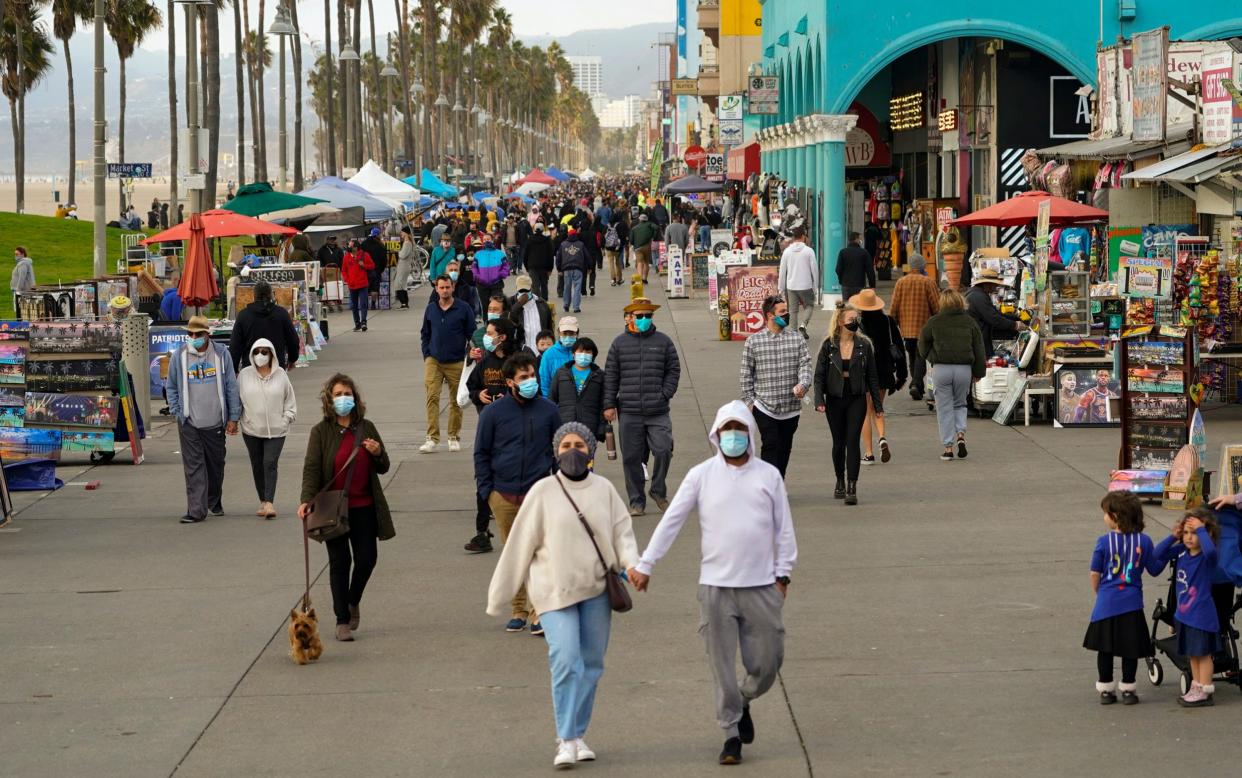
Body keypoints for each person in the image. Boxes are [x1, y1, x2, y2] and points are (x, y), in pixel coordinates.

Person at [627, 401, 797, 766]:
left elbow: (784, 530)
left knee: (768, 662)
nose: (732, 436)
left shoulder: (768, 476)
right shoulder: (701, 475)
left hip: (762, 585)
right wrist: (646, 564)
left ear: (749, 433)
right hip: (716, 588)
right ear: (716, 435)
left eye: (739, 429)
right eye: (726, 430)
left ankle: (745, 697)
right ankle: (731, 734)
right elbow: (672, 521)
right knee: (720, 665)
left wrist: (783, 574)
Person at [487, 423, 639, 768]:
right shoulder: (542, 492)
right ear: (556, 451)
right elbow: (518, 546)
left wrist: (633, 565)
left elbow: (623, 535)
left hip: (597, 590)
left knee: (592, 664)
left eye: (580, 445)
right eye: (566, 444)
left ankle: (578, 733)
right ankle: (565, 738)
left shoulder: (604, 490)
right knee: (566, 658)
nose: (573, 450)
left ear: (591, 452)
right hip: (553, 592)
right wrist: (500, 595)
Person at [297, 374, 393, 642]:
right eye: (338, 394)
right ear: (329, 399)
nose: (343, 399)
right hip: (333, 508)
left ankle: (353, 601)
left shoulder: (367, 427)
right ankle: (342, 620)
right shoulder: (321, 431)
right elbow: (312, 468)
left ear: (356, 398)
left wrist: (376, 453)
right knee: (340, 562)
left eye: (347, 394)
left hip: (364, 505)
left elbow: (383, 467)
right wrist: (306, 499)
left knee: (367, 560)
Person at [474, 352, 562, 635]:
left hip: (538, 494)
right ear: (510, 382)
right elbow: (481, 453)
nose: (530, 381)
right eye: (523, 378)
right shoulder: (493, 413)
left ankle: (539, 613)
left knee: (538, 554)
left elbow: (559, 451)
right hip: (503, 495)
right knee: (514, 555)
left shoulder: (549, 410)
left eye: (532, 376)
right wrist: (488, 492)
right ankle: (518, 610)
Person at [603, 298, 681, 516]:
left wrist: (665, 394)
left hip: (658, 411)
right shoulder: (619, 344)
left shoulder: (664, 341)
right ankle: (636, 501)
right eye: (640, 316)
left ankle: (658, 489)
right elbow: (611, 376)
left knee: (664, 449)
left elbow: (673, 370)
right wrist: (609, 404)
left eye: (648, 316)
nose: (644, 319)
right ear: (630, 318)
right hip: (629, 411)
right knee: (631, 458)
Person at [1083, 492, 1162, 706]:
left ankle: (1106, 689)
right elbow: (1154, 569)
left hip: (1107, 602)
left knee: (1105, 649)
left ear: (1116, 515)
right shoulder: (1144, 541)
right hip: (1132, 603)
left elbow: (1094, 573)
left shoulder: (1103, 541)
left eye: (1106, 513)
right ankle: (1128, 688)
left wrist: (1100, 593)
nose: (1104, 517)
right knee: (1130, 649)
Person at [165, 316, 241, 524]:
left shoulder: (221, 354)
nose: (194, 338)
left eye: (198, 334)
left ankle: (213, 500)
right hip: (189, 421)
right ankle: (196, 510)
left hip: (215, 421)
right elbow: (171, 386)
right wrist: (177, 411)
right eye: (190, 334)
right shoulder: (179, 356)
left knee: (215, 465)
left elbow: (231, 386)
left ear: (208, 334)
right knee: (194, 467)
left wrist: (234, 417)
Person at [813, 303, 883, 505]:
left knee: (852, 441)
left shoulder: (864, 345)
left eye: (857, 319)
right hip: (835, 398)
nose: (855, 323)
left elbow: (872, 377)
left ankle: (852, 485)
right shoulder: (829, 345)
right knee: (838, 443)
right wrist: (819, 400)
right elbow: (819, 376)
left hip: (856, 397)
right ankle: (840, 480)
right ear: (841, 322)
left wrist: (877, 407)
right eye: (852, 320)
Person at [739, 295, 812, 478]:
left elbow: (805, 365)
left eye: (787, 311)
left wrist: (803, 384)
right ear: (770, 316)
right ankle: (769, 486)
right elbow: (746, 372)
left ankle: (778, 481)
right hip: (765, 406)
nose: (787, 315)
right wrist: (750, 401)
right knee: (770, 444)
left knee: (784, 448)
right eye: (783, 312)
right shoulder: (753, 342)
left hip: (791, 408)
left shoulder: (797, 340)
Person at [1154, 509, 1221, 707]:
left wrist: (1201, 530)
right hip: (1184, 615)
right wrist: (1173, 536)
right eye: (1186, 533)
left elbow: (1210, 551)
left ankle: (1205, 689)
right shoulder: (1182, 551)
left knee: (1203, 653)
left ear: (1206, 534)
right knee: (1192, 653)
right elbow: (1157, 554)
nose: (1189, 538)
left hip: (1201, 614)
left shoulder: (1207, 558)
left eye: (1194, 533)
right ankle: (1196, 684)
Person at [918, 288, 986, 461]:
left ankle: (948, 448)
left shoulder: (934, 322)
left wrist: (930, 356)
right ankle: (961, 434)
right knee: (960, 404)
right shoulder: (970, 322)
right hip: (964, 369)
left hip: (941, 368)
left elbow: (922, 344)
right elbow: (979, 349)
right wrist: (978, 372)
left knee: (944, 407)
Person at [237, 339, 296, 519]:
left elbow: (290, 400)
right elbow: (237, 400)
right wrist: (234, 420)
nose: (260, 356)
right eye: (257, 352)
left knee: (269, 463)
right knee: (257, 464)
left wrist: (286, 418)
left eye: (264, 352)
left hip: (277, 430)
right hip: (251, 429)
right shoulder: (244, 375)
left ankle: (270, 502)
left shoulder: (281, 375)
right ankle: (263, 500)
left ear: (271, 354)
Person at [420, 274, 476, 454]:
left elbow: (472, 335)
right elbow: (425, 333)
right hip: (434, 360)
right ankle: (431, 438)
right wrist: (426, 354)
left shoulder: (463, 308)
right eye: (441, 287)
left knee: (456, 401)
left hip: (457, 361)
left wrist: (470, 355)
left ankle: (453, 436)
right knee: (432, 396)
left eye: (447, 287)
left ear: (453, 288)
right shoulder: (430, 309)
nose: (444, 290)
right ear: (436, 289)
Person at [849, 289, 905, 466]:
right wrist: (902, 376)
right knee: (878, 409)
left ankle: (868, 453)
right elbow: (899, 348)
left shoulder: (857, 325)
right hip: (884, 371)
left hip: (864, 372)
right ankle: (882, 438)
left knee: (865, 411)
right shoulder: (888, 322)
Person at [890, 255, 940, 401]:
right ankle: (917, 384)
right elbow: (936, 306)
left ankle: (916, 384)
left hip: (906, 330)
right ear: (922, 266)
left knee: (912, 356)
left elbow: (894, 307)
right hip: (924, 328)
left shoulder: (901, 282)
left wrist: (894, 325)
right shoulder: (928, 282)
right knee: (921, 356)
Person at [229, 279, 302, 369]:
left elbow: (235, 345)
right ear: (271, 295)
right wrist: (292, 359)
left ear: (254, 296)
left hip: (251, 368)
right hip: (276, 367)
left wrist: (234, 367)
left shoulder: (243, 316)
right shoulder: (281, 314)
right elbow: (293, 340)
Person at [548, 337, 606, 439]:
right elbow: (551, 400)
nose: (583, 354)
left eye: (588, 352)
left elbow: (603, 404)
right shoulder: (561, 373)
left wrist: (601, 428)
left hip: (589, 428)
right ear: (573, 354)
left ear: (593, 355)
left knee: (587, 455)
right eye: (580, 351)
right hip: (564, 426)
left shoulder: (600, 375)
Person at [965, 268, 1025, 357]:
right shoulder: (978, 296)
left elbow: (995, 314)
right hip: (978, 341)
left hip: (979, 338)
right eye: (994, 284)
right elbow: (994, 318)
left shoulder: (978, 293)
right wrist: (1015, 325)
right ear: (987, 284)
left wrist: (1016, 318)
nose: (996, 286)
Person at [777, 226, 818, 339]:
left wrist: (781, 288)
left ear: (793, 237)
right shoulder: (809, 251)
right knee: (809, 305)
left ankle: (793, 333)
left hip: (791, 285)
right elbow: (814, 270)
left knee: (793, 310)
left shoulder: (787, 252)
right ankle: (803, 325)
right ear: (803, 236)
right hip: (806, 285)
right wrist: (815, 286)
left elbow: (782, 271)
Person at [509, 274, 553, 353]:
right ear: (516, 288)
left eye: (526, 290)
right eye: (521, 291)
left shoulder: (542, 304)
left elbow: (549, 327)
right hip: (522, 352)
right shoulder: (511, 303)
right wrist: (519, 305)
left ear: (531, 288)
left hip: (541, 351)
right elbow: (510, 321)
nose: (524, 293)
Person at [538, 316, 580, 397]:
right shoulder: (549, 354)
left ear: (577, 333)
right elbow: (544, 383)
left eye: (571, 333)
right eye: (564, 333)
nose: (568, 336)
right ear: (558, 332)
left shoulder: (583, 351)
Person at [342, 238, 375, 332]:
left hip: (363, 284)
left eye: (351, 246)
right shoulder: (346, 256)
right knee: (354, 306)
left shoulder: (365, 255)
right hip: (352, 285)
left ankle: (364, 322)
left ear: (356, 247)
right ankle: (357, 323)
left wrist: (364, 265)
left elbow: (372, 265)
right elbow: (344, 270)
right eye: (348, 246)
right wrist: (347, 279)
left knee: (363, 303)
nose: (349, 247)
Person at [555, 227, 588, 314]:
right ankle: (576, 307)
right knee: (577, 287)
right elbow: (587, 256)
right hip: (578, 268)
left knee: (567, 287)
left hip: (566, 269)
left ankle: (566, 305)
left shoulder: (563, 244)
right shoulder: (581, 244)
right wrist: (589, 267)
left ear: (568, 235)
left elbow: (558, 258)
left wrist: (559, 268)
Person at [835, 232, 875, 301]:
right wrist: (872, 285)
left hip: (846, 285)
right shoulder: (864, 253)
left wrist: (841, 280)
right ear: (856, 239)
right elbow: (870, 271)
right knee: (858, 306)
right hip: (859, 285)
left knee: (847, 307)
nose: (860, 240)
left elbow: (838, 269)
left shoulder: (843, 252)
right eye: (859, 238)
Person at [524, 222, 555, 301]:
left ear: (534, 229)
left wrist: (527, 267)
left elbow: (525, 254)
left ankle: (536, 301)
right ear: (542, 230)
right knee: (544, 284)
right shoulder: (547, 240)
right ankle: (544, 301)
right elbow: (550, 255)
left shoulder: (530, 240)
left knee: (535, 285)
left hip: (532, 266)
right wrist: (550, 268)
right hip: (544, 266)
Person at [473, 238, 510, 303]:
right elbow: (474, 268)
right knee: (484, 306)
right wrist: (478, 277)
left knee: (497, 305)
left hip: (496, 284)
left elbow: (506, 266)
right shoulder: (478, 254)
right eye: (484, 239)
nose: (487, 241)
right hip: (482, 285)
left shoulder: (500, 253)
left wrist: (500, 275)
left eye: (489, 239)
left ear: (492, 240)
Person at [361, 228, 387, 310]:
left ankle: (364, 305)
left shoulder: (364, 244)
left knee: (365, 288)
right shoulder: (380, 245)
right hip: (377, 269)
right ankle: (373, 304)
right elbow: (384, 259)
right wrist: (381, 269)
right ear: (378, 235)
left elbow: (360, 256)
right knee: (374, 288)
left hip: (365, 269)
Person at [629, 214, 657, 284]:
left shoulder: (634, 228)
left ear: (639, 219)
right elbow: (656, 227)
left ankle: (639, 279)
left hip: (638, 248)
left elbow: (631, 240)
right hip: (647, 246)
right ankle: (644, 279)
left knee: (639, 263)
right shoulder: (649, 225)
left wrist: (634, 244)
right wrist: (653, 236)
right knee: (646, 262)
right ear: (646, 219)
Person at [392, 227, 415, 309]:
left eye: (402, 232)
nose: (401, 234)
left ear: (406, 233)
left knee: (398, 284)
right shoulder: (408, 242)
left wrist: (397, 251)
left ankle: (403, 303)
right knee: (402, 284)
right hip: (404, 266)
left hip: (403, 266)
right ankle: (405, 303)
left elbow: (402, 255)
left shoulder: (407, 243)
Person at [602, 216, 628, 287]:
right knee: (617, 263)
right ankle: (619, 279)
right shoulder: (619, 226)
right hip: (617, 248)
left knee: (611, 264)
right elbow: (622, 236)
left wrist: (603, 247)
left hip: (608, 248)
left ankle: (613, 279)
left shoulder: (606, 227)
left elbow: (603, 237)